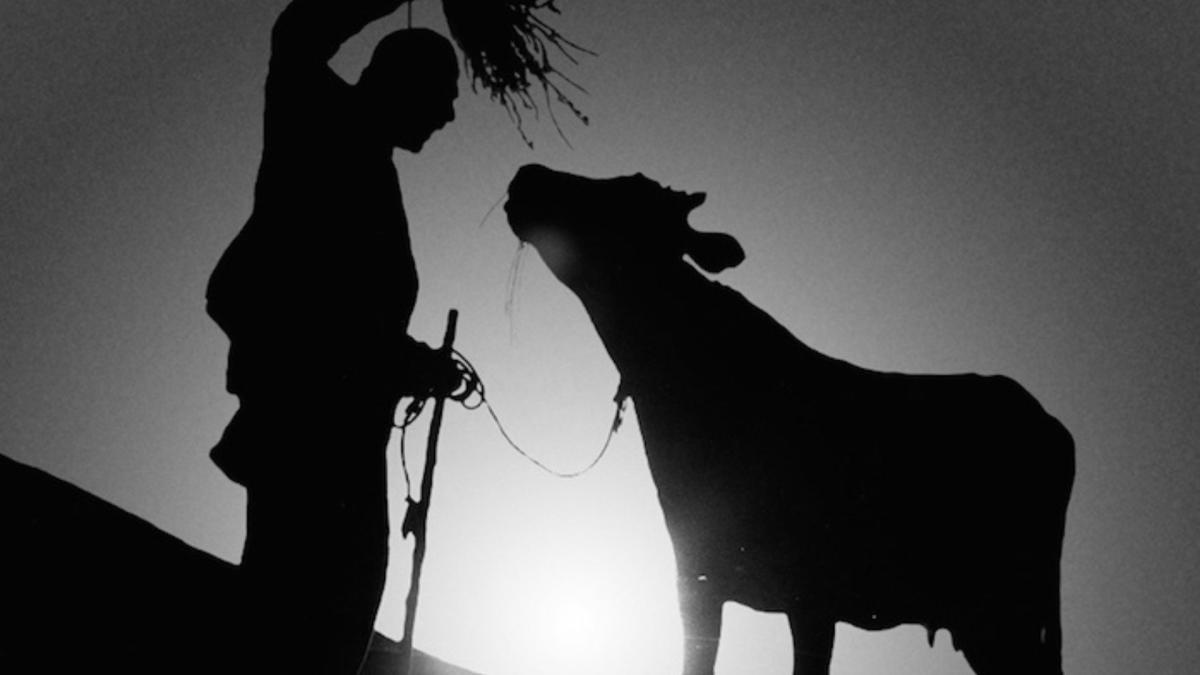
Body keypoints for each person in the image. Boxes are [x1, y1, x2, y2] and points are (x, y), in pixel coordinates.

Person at [205, 1, 463, 671]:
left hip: (349, 438)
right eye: (443, 94)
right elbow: (296, 34)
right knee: (293, 614)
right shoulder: (316, 116)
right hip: (305, 426)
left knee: (333, 613)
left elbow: (356, 321)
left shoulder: (378, 173)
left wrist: (415, 366)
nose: (450, 115)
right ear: (399, 79)